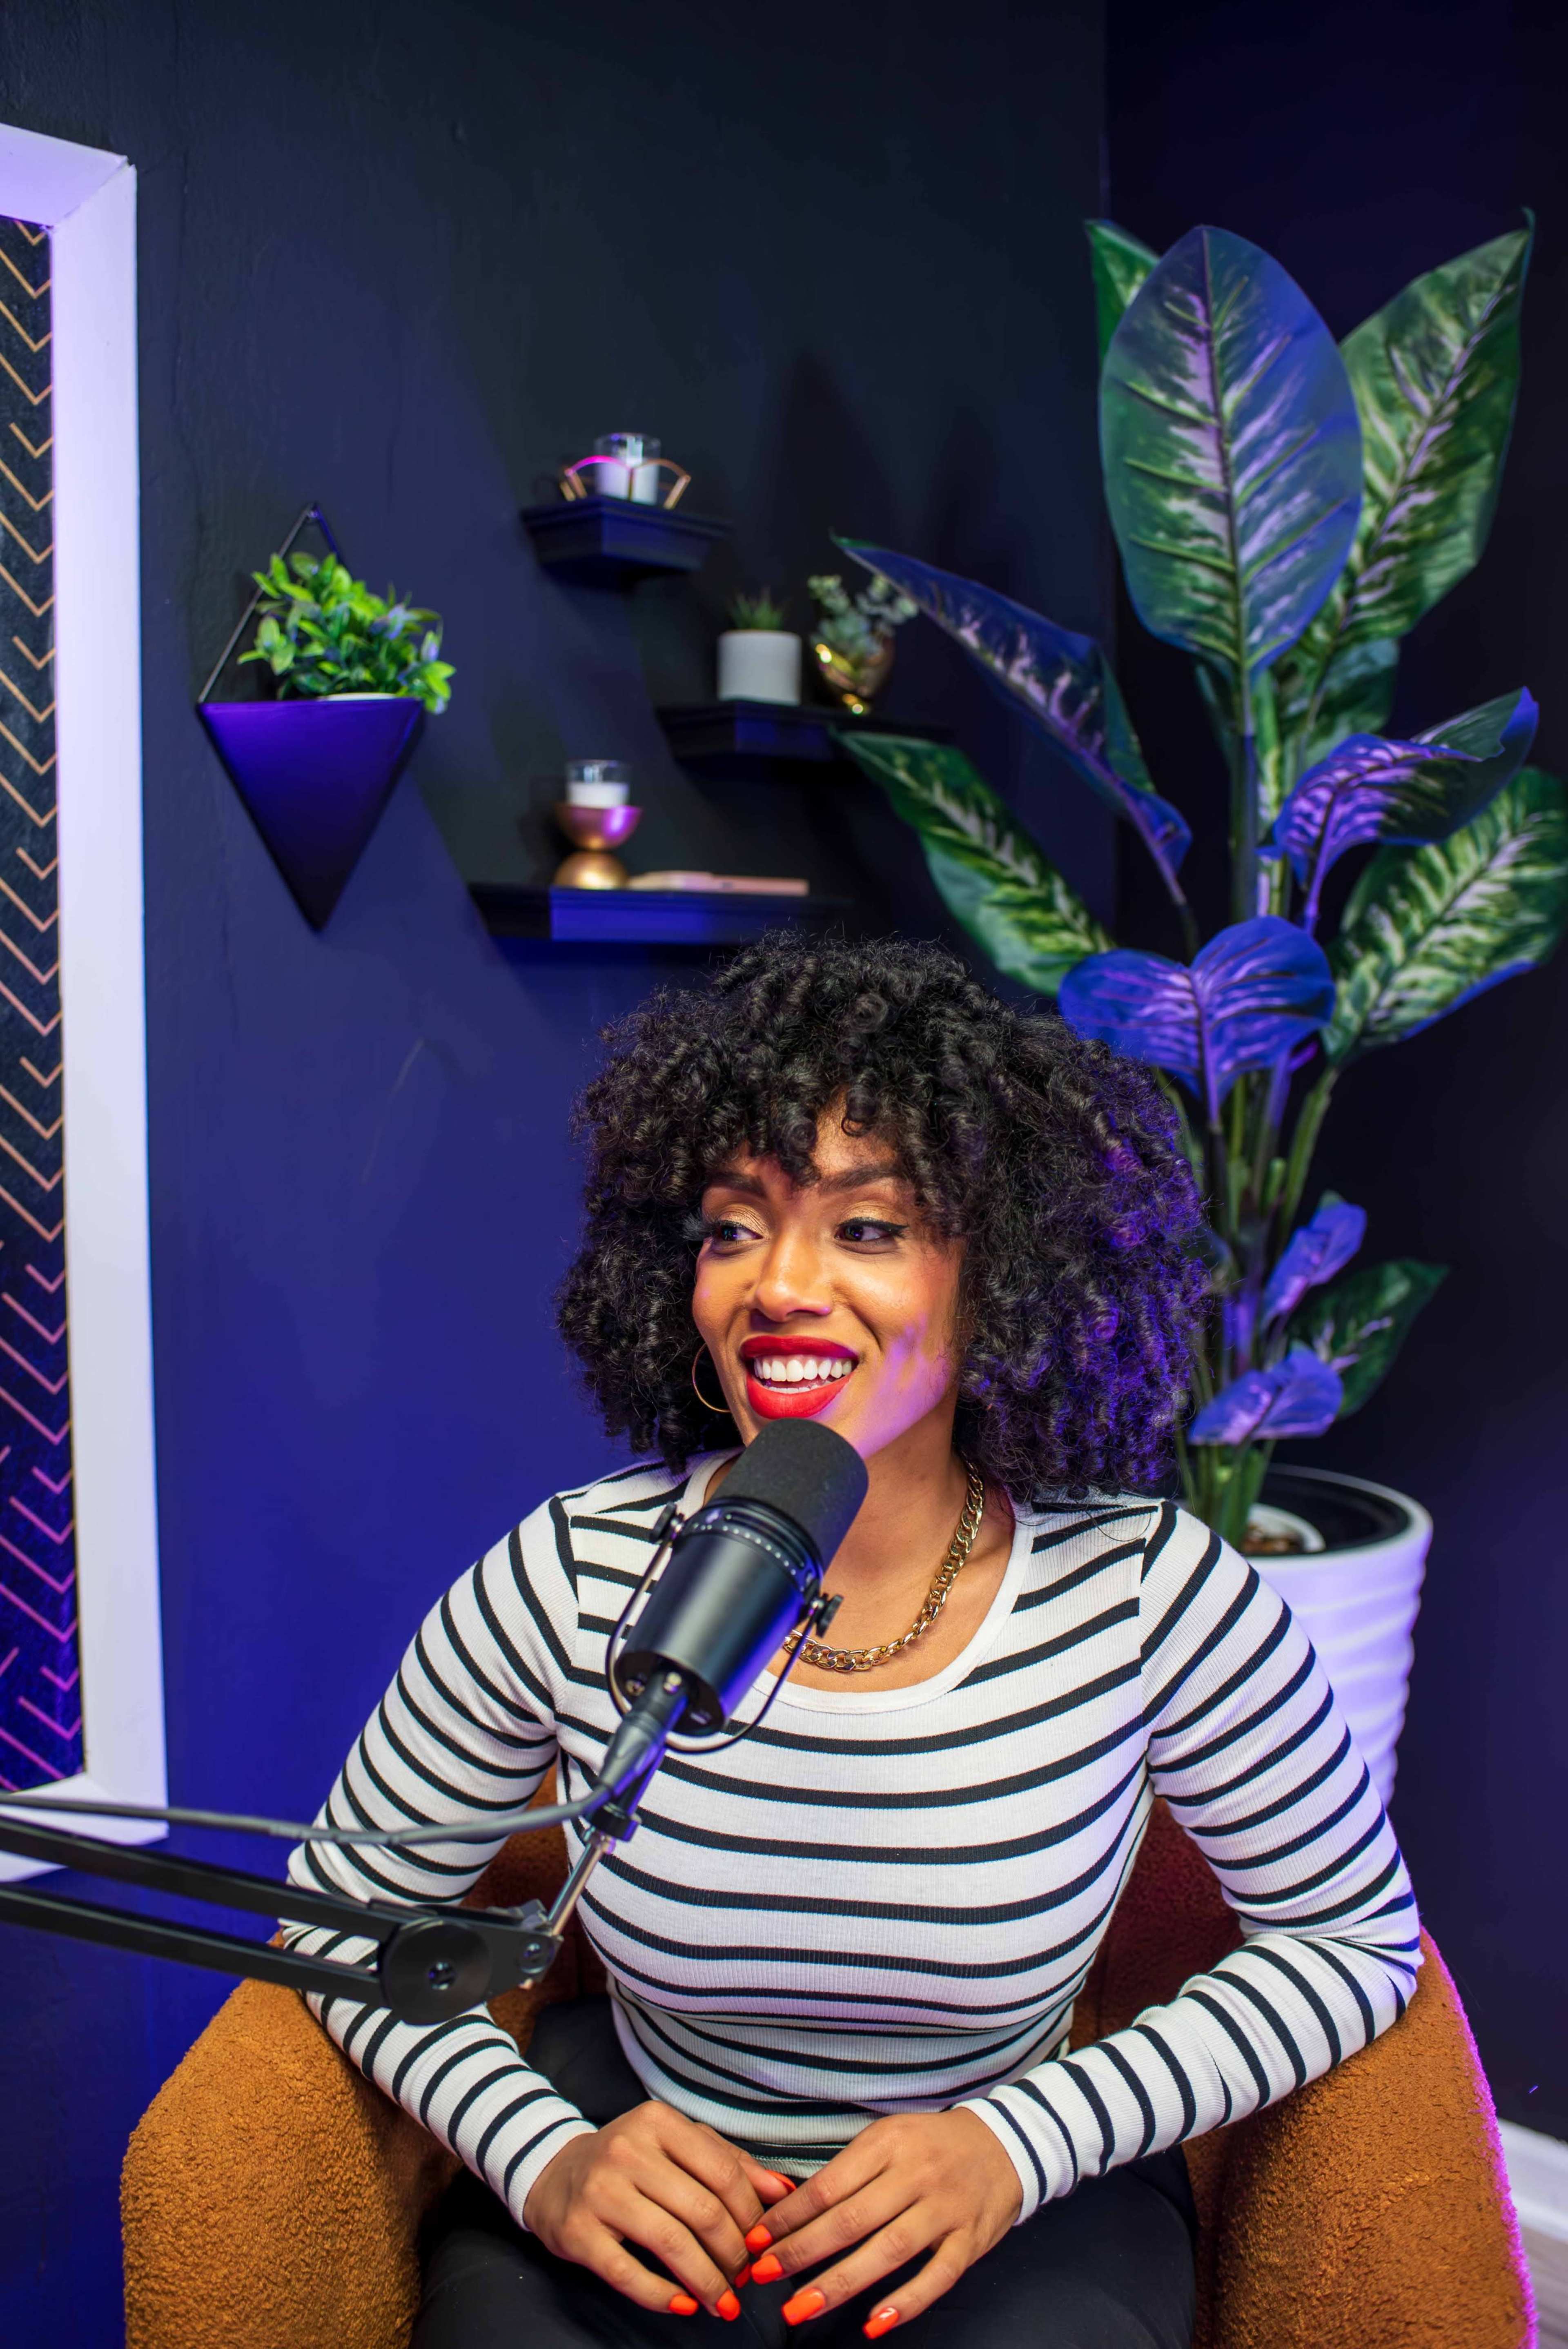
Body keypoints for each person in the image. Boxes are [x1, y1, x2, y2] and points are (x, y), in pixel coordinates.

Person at [286, 933, 1419, 2349]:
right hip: (640, 2187)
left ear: (1002, 1272)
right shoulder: (573, 1572)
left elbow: (1353, 1939)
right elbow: (342, 1913)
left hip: (1014, 2198)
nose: (777, 1284)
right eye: (732, 1226)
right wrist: (541, 2152)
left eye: (867, 1228)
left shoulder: (1148, 1591)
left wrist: (1026, 2140)